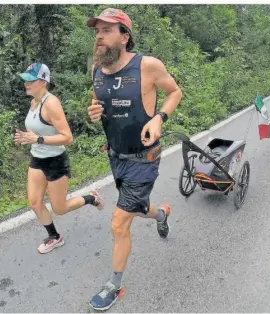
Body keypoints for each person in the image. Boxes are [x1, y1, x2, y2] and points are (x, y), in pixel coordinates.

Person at [85, 8, 183, 311]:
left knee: (119, 224)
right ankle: (161, 214)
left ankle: (113, 285)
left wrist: (159, 119)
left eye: (107, 30)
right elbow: (96, 104)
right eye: (97, 31)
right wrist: (93, 114)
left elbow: (174, 92)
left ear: (124, 37)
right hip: (116, 156)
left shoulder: (147, 66)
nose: (99, 36)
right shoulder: (96, 69)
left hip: (144, 157)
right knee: (137, 208)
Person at [15, 62, 105, 254]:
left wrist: (37, 138)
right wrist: (26, 137)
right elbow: (38, 131)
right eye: (25, 80)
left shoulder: (52, 103)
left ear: (42, 82)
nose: (26, 84)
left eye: (30, 80)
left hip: (55, 161)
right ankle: (54, 237)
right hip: (37, 159)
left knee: (60, 208)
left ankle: (91, 198)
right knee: (34, 202)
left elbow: (67, 137)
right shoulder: (33, 103)